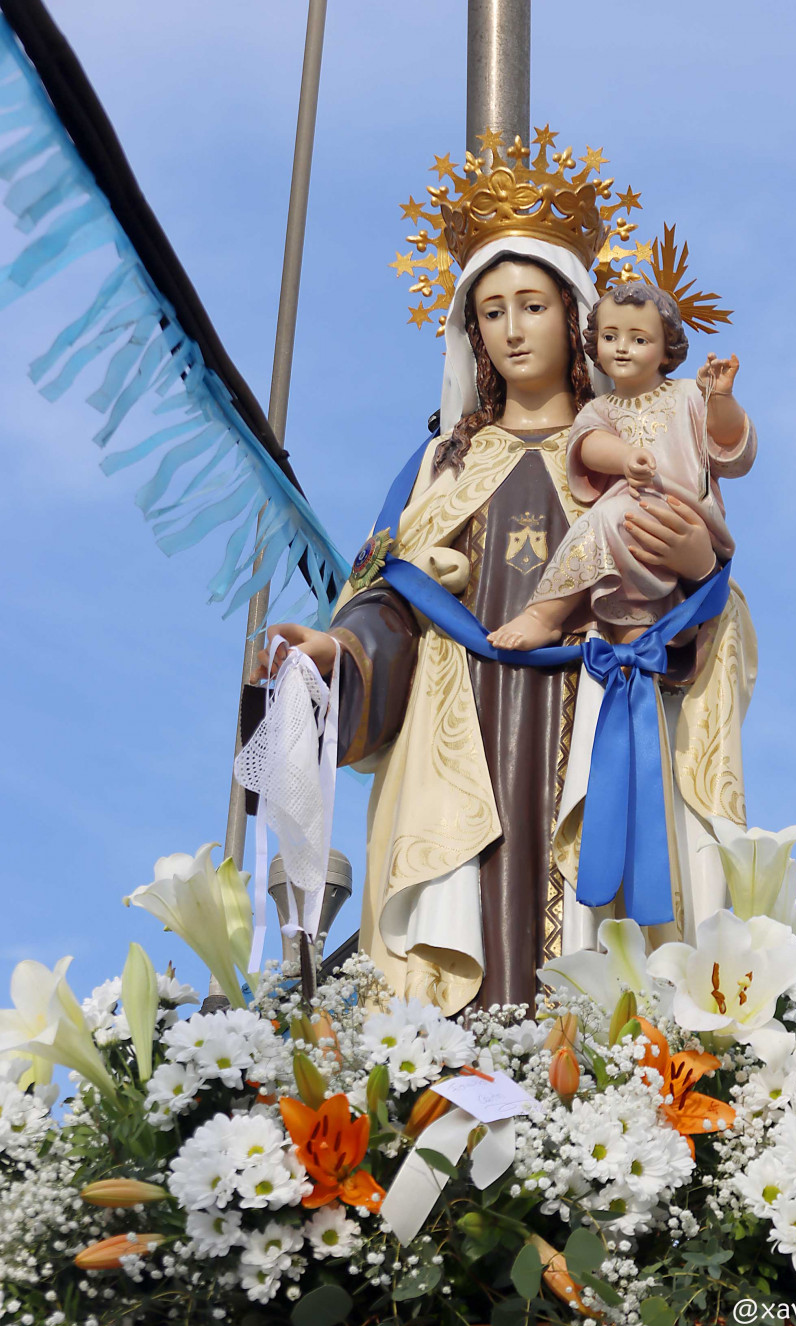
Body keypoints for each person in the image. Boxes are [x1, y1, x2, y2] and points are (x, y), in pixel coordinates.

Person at [253, 238, 756, 1017]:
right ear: (472, 332)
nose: (513, 330)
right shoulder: (442, 466)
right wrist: (338, 651)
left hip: (594, 712)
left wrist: (696, 564)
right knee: (461, 911)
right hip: (459, 723)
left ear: (575, 320)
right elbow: (392, 597)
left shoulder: (633, 453)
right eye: (492, 312)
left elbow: (702, 617)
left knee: (594, 946)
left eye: (533, 307)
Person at [487, 282, 756, 650]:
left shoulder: (688, 395)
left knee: (603, 519)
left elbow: (731, 451)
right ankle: (634, 632)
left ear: (667, 348)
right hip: (632, 515)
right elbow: (589, 445)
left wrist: (720, 398)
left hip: (684, 515)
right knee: (623, 553)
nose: (622, 348)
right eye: (610, 337)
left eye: (639, 339)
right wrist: (626, 456)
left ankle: (544, 615)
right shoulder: (600, 409)